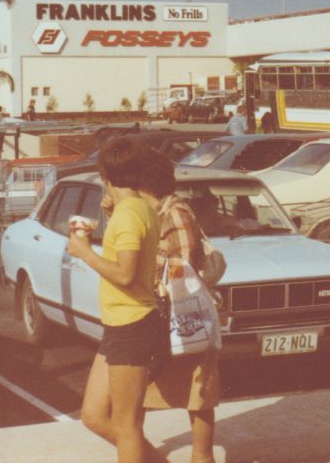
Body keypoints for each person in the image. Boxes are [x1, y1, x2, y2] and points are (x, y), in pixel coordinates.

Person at [68, 137, 166, 462]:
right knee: (94, 416)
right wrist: (112, 214)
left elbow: (125, 275)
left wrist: (83, 251)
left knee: (127, 425)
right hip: (120, 325)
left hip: (131, 326)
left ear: (105, 176)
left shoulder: (129, 215)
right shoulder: (139, 208)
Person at [139, 151, 220, 463]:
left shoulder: (175, 213)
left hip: (183, 314)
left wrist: (149, 261)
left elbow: (185, 267)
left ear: (146, 186)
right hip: (164, 315)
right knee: (142, 392)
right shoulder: (157, 211)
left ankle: (202, 457)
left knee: (197, 392)